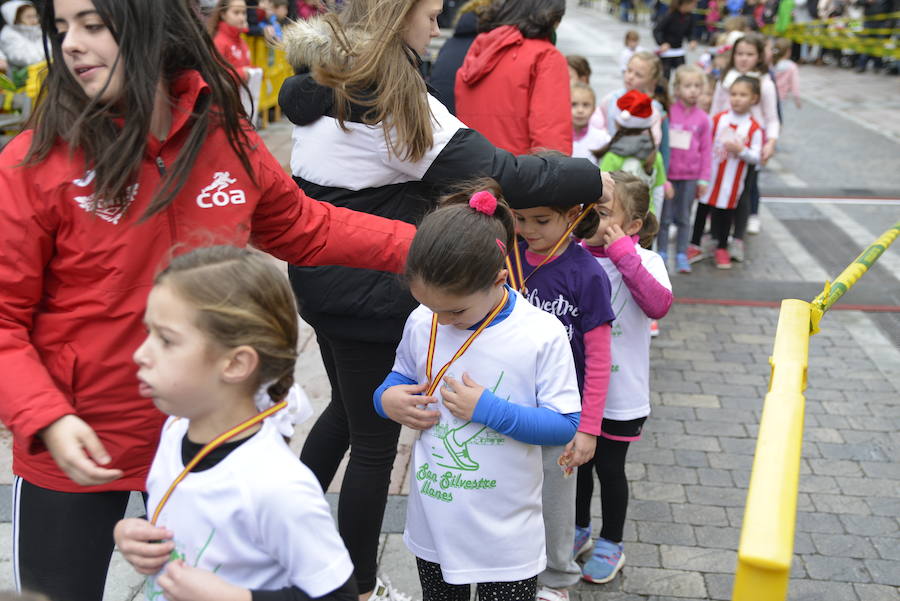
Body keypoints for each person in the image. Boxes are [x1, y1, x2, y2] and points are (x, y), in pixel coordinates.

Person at [0, 0, 417, 599]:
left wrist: (419, 249)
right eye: (62, 27)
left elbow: (302, 225)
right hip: (77, 446)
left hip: (209, 438)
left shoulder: (222, 133)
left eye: (93, 24)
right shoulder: (32, 163)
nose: (70, 43)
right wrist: (48, 418)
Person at [277, 3, 609, 598]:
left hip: (326, 280)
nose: (437, 27)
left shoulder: (330, 81)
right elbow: (500, 170)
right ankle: (359, 584)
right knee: (375, 445)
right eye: (428, 14)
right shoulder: (386, 95)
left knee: (347, 419)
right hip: (367, 287)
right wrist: (589, 179)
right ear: (396, 15)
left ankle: (285, 540)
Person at [376, 180, 583, 601]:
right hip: (434, 522)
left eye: (455, 310)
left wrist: (489, 409)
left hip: (505, 534)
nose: (442, 320)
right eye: (431, 307)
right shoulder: (424, 319)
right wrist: (387, 400)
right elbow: (398, 376)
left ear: (499, 278)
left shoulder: (539, 334)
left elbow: (564, 425)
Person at [114, 246, 356, 601]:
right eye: (147, 333)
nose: (140, 353)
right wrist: (135, 534)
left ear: (235, 364)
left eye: (165, 340)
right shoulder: (175, 429)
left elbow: (339, 597)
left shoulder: (278, 487)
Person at [510, 167, 615, 601]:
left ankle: (556, 579)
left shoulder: (587, 273)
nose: (528, 230)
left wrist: (588, 427)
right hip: (512, 403)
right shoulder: (507, 255)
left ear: (573, 215)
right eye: (519, 218)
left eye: (541, 220)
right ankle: (514, 565)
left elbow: (600, 358)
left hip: (562, 414)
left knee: (556, 503)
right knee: (514, 492)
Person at [578, 171, 672, 584]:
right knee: (576, 466)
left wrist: (623, 254)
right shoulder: (573, 255)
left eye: (600, 214)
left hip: (622, 396)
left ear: (632, 225)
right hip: (578, 392)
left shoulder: (647, 262)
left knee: (609, 469)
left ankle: (611, 541)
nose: (588, 220)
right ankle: (577, 528)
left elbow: (657, 304)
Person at [455, 0, 573, 155]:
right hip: (518, 175)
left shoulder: (479, 51)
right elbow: (551, 143)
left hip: (470, 173)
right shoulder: (545, 57)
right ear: (551, 17)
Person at [709, 32, 779, 248]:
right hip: (722, 144)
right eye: (740, 53)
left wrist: (771, 143)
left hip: (750, 144)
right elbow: (715, 110)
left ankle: (737, 236)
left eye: (750, 54)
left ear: (759, 56)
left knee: (744, 191)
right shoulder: (725, 80)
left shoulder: (765, 84)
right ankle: (716, 231)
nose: (744, 58)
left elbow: (772, 118)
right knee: (716, 185)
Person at [690, 75, 763, 269]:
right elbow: (705, 144)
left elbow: (757, 157)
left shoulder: (754, 128)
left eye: (743, 95)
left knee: (725, 213)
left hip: (733, 181)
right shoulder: (718, 119)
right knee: (702, 209)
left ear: (754, 99)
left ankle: (722, 246)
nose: (737, 99)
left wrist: (741, 151)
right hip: (711, 176)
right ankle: (694, 244)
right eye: (734, 94)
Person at [658, 64, 711, 272]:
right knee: (664, 217)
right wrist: (661, 177)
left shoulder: (703, 119)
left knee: (683, 218)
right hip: (669, 176)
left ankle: (681, 253)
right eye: (688, 86)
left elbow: (706, 150)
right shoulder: (668, 113)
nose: (693, 91)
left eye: (698, 86)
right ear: (677, 89)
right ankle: (661, 252)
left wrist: (704, 179)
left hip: (690, 177)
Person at [596, 90, 667, 217]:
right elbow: (658, 192)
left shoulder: (612, 156)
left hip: (616, 220)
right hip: (645, 218)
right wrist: (655, 220)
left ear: (618, 122)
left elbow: (601, 190)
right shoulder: (655, 156)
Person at [428, 0, 489, 116]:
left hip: (437, 116)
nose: (436, 32)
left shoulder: (448, 44)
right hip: (463, 123)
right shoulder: (486, 47)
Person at [652, 0, 699, 80]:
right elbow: (657, 30)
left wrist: (692, 40)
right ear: (685, 3)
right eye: (693, 4)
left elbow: (690, 32)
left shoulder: (689, 16)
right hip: (666, 51)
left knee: (683, 74)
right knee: (665, 76)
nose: (695, 6)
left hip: (678, 50)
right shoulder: (670, 14)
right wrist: (662, 43)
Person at [209, 0, 252, 81]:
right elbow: (216, 76)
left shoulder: (242, 40)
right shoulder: (218, 42)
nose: (241, 17)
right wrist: (243, 73)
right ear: (223, 14)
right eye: (236, 12)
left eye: (244, 13)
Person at [571, 82, 611, 166]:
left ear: (593, 109)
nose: (580, 110)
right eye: (574, 104)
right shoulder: (558, 138)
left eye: (585, 105)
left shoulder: (603, 139)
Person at [0, 1, 43, 72]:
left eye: (35, 16)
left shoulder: (37, 29)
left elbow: (50, 47)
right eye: (29, 17)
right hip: (23, 79)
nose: (34, 20)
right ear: (16, 18)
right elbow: (22, 58)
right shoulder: (8, 35)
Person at [772, 37, 801, 109]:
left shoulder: (771, 63)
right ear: (788, 51)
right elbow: (795, 84)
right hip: (782, 96)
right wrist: (797, 98)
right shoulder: (792, 66)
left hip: (770, 94)